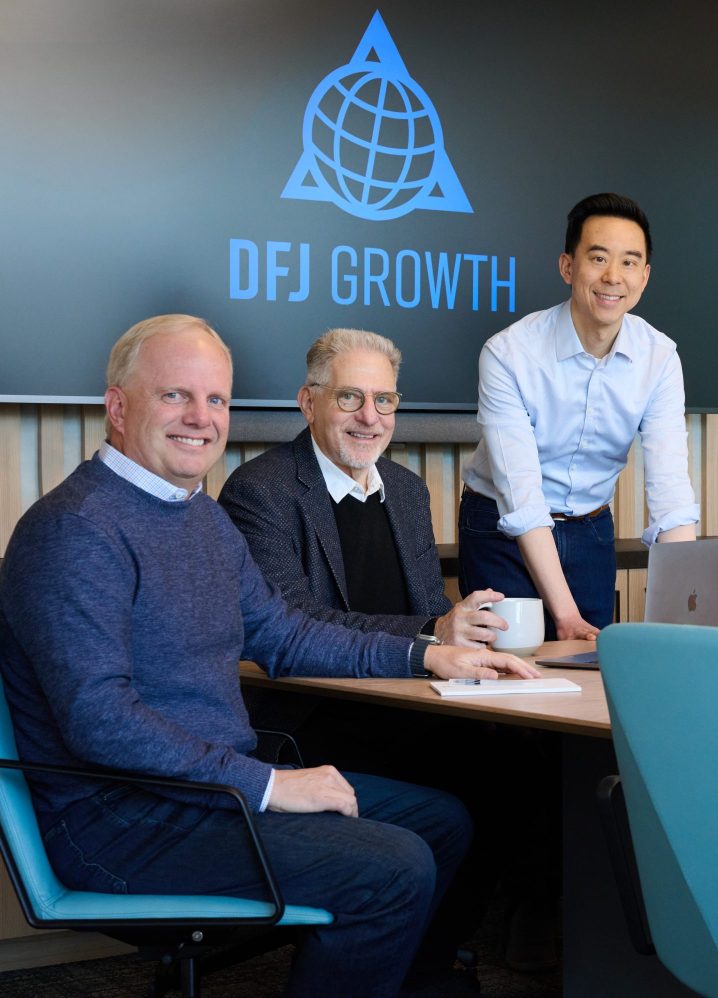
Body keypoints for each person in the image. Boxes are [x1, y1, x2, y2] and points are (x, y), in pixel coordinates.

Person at [0, 315, 538, 996]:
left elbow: (285, 635)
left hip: (208, 792)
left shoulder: (199, 515)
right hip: (120, 821)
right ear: (117, 406)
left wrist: (422, 655)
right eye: (174, 395)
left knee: (443, 823)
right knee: (396, 864)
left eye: (216, 400)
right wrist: (270, 786)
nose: (201, 418)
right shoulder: (74, 530)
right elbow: (100, 721)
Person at [459, 193, 699, 642]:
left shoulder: (661, 358)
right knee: (511, 663)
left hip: (590, 528)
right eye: (598, 258)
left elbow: (671, 492)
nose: (613, 277)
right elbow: (521, 497)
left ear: (644, 277)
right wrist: (565, 614)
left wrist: (692, 602)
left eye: (629, 262)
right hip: (501, 526)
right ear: (568, 267)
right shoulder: (509, 353)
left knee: (591, 669)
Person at [218, 327, 505, 650]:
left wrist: (463, 636)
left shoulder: (408, 491)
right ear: (309, 403)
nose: (369, 417)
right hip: (314, 683)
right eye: (349, 397)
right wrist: (434, 630)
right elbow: (292, 624)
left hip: (416, 680)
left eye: (383, 400)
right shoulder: (258, 492)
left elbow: (432, 610)